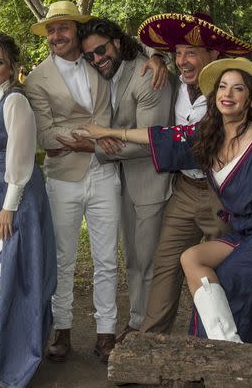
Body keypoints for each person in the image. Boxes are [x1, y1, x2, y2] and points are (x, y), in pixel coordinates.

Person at [78, 57, 252, 345]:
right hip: (245, 233)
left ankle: (229, 346)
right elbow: (161, 136)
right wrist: (110, 132)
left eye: (238, 89)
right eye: (223, 87)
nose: (228, 94)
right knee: (191, 257)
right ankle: (224, 342)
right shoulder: (209, 135)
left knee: (230, 274)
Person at [134, 12, 252, 336]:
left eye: (191, 53)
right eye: (177, 53)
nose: (182, 61)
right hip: (183, 190)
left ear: (212, 56)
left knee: (223, 273)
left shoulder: (237, 94)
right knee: (167, 264)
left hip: (224, 197)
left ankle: (212, 345)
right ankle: (152, 342)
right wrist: (155, 56)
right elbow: (132, 45)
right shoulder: (167, 81)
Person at [24, 2, 166, 363]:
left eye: (64, 28)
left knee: (107, 259)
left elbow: (128, 45)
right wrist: (90, 139)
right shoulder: (38, 80)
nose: (57, 36)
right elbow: (45, 134)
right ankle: (62, 329)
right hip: (63, 178)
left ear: (77, 31)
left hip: (106, 175)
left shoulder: (97, 60)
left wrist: (157, 55)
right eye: (51, 31)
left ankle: (106, 334)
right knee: (63, 258)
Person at [0, 33, 57, 387]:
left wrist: (9, 207)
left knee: (14, 271)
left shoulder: (15, 102)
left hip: (15, 195)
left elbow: (21, 155)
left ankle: (14, 355)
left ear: (12, 68)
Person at [76, 18, 174, 342]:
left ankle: (146, 330)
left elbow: (152, 139)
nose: (96, 59)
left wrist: (100, 145)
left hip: (151, 182)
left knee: (148, 261)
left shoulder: (147, 75)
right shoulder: (106, 72)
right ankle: (138, 321)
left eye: (101, 50)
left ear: (116, 42)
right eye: (89, 55)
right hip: (125, 183)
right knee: (133, 258)